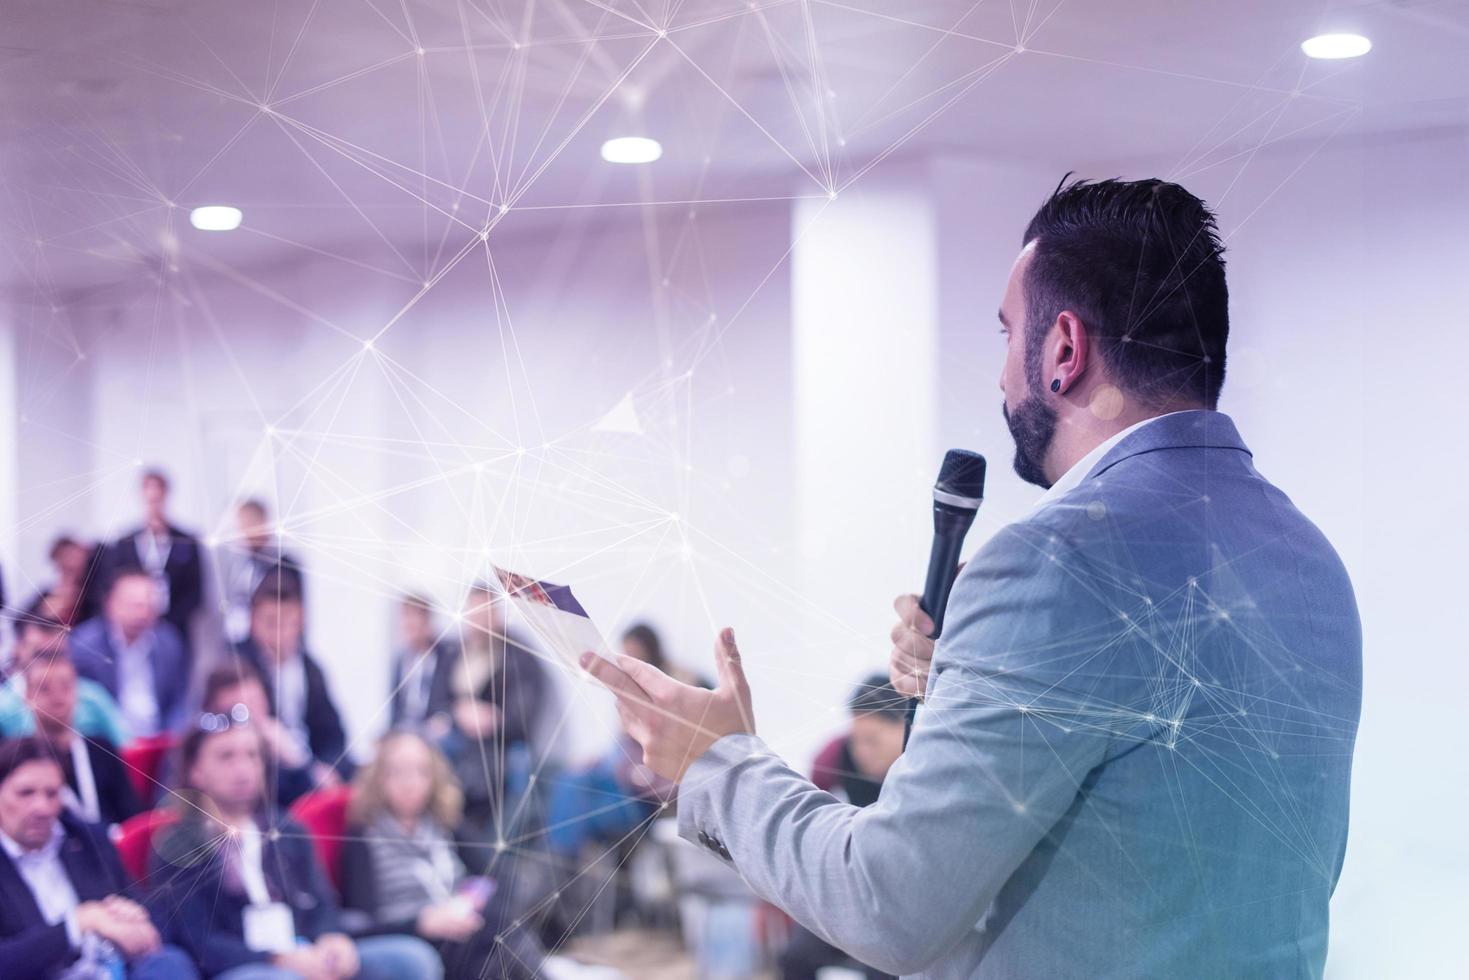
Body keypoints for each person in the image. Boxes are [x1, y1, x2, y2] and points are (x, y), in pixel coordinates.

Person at [582, 177, 1362, 978]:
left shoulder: (1055, 562)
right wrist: (972, 680)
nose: (999, 376)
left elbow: (888, 906)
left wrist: (720, 762)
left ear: (1063, 349)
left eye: (1004, 334)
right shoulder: (1309, 560)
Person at [148, 713, 442, 979]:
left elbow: (323, 904)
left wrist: (332, 938)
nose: (243, 768)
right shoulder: (179, 844)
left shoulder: (286, 829)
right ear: (195, 771)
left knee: (413, 960)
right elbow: (199, 942)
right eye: (226, 757)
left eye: (252, 755)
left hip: (306, 953)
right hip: (245, 967)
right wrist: (277, 959)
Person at [341, 731, 611, 980]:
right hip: (415, 938)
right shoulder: (363, 837)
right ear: (378, 777)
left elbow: (500, 874)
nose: (409, 783)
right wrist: (421, 923)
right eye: (397, 772)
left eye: (420, 771)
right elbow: (361, 924)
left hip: (466, 927)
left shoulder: (444, 822)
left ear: (433, 776)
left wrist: (473, 906)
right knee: (499, 945)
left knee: (499, 936)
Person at [0, 737, 197, 979]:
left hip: (111, 969)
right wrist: (79, 923)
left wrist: (134, 919)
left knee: (170, 962)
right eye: (25, 793)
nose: (41, 807)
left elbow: (149, 911)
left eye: (52, 794)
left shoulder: (87, 838)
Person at [781, 676, 904, 980]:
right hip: (855, 889)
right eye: (855, 739)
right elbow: (803, 811)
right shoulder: (838, 755)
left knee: (884, 968)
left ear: (907, 726)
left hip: (903, 900)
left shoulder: (927, 770)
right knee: (794, 956)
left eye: (872, 740)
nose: (861, 750)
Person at [442, 582, 547, 844]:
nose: (478, 622)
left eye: (485, 613)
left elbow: (522, 718)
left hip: (497, 748)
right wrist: (455, 715)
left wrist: (492, 719)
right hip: (453, 740)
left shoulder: (517, 656)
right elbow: (438, 699)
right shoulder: (454, 652)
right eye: (473, 614)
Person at [234, 571, 351, 785]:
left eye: (288, 622)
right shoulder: (237, 665)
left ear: (301, 620)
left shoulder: (310, 667)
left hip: (309, 761)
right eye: (270, 623)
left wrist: (327, 766)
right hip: (268, 767)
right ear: (252, 621)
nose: (280, 633)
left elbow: (333, 731)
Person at [25, 649, 143, 828]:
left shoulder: (102, 750)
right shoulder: (19, 761)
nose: (58, 696)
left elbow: (133, 818)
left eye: (66, 686)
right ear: (27, 696)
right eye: (45, 688)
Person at [70, 569, 189, 738]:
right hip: (108, 741)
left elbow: (179, 700)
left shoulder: (168, 642)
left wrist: (174, 737)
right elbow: (83, 706)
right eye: (134, 605)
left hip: (159, 741)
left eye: (148, 605)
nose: (142, 613)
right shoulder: (85, 646)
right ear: (110, 604)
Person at [99, 469, 204, 649]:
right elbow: (113, 585)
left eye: (158, 497)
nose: (154, 503)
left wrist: (166, 620)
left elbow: (195, 591)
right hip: (132, 628)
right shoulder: (125, 542)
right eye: (150, 497)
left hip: (174, 626)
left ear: (166, 496)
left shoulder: (186, 541)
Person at [195, 658, 318, 807]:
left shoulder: (275, 747)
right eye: (240, 711)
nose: (255, 717)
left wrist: (293, 759)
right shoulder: (197, 750)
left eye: (256, 703)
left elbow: (307, 802)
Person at [0, 604, 131, 744]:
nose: (50, 663)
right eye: (40, 654)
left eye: (58, 654)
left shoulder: (92, 696)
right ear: (17, 649)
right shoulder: (3, 706)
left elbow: (127, 748)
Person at [220, 499, 303, 646]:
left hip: (273, 645)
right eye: (241, 525)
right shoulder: (238, 561)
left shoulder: (285, 565)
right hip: (240, 642)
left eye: (248, 523)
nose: (242, 531)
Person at [387, 593, 454, 735]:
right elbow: (395, 711)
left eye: (414, 616)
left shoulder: (447, 656)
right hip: (404, 730)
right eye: (405, 616)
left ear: (427, 621)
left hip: (434, 729)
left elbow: (453, 701)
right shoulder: (400, 660)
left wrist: (444, 718)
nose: (408, 622)